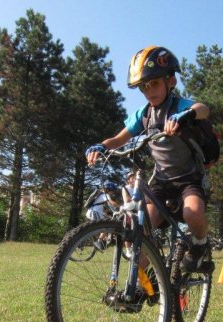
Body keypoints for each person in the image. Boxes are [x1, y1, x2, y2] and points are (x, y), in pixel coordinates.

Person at [85, 46, 211, 272]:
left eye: (154, 83)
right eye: (144, 86)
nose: (149, 90)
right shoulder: (143, 114)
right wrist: (101, 146)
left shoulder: (179, 105)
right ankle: (150, 284)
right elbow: (118, 139)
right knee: (136, 232)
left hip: (189, 178)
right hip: (161, 181)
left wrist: (186, 115)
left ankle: (201, 245)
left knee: (192, 212)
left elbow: (204, 109)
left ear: (170, 82)